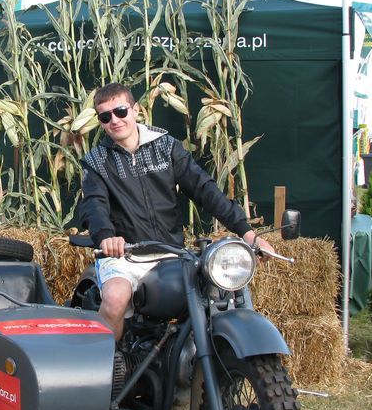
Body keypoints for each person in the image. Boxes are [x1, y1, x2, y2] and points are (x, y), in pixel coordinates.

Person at [78, 82, 274, 340]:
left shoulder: (166, 146)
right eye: (106, 116)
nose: (115, 120)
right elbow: (94, 205)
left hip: (173, 253)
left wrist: (247, 233)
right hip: (126, 256)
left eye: (121, 111)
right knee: (115, 298)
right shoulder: (96, 162)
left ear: (136, 110)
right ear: (101, 122)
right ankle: (106, 374)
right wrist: (106, 237)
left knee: (219, 290)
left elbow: (204, 189)